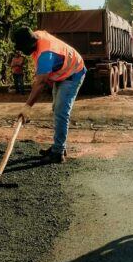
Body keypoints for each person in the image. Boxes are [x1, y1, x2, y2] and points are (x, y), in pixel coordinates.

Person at [13, 27, 86, 164]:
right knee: (56, 109)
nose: (21, 52)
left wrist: (27, 107)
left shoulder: (46, 54)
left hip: (73, 73)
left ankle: (58, 153)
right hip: (60, 74)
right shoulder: (37, 36)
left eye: (22, 48)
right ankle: (59, 146)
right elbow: (41, 79)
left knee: (61, 111)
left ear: (30, 44)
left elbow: (40, 83)